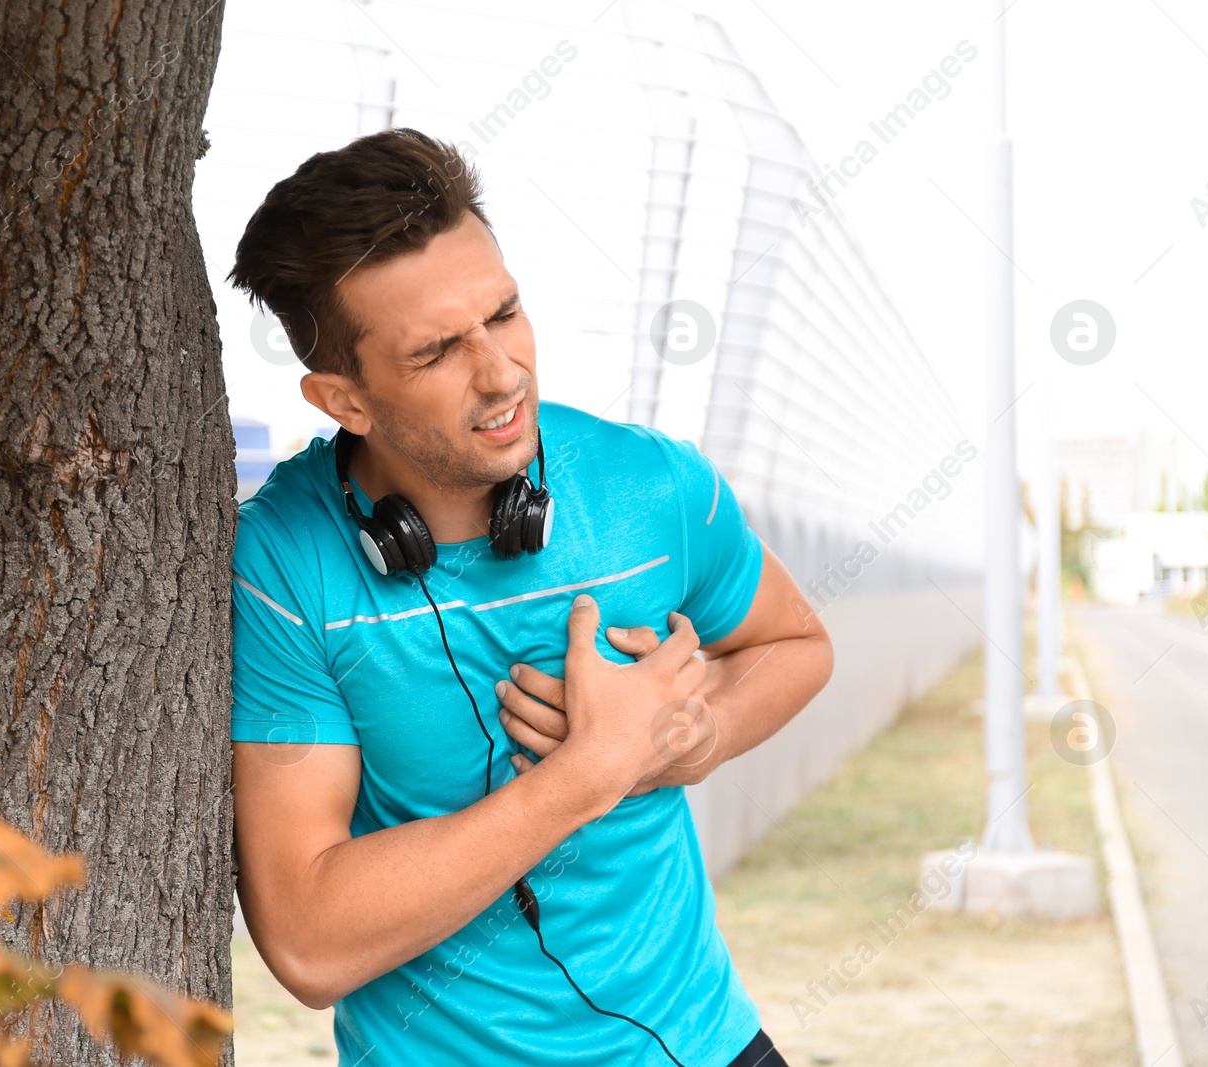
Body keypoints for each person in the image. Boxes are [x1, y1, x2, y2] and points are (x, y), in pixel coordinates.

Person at [226, 127, 833, 1066]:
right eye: (436, 352)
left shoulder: (651, 485)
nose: (502, 373)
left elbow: (793, 643)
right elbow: (308, 940)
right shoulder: (284, 564)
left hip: (703, 1043)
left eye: (504, 314)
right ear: (343, 400)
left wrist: (688, 737)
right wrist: (590, 772)